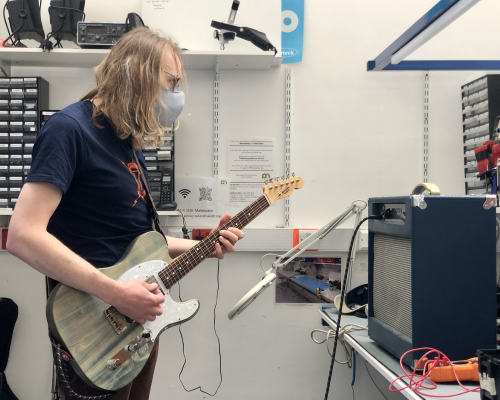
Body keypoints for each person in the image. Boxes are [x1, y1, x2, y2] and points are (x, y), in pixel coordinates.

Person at [6, 28, 244, 400]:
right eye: (172, 81)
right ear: (137, 75)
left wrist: (204, 244)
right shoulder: (69, 130)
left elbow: (141, 241)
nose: (177, 93)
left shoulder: (126, 141)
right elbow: (23, 235)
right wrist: (116, 293)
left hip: (137, 322)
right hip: (95, 325)